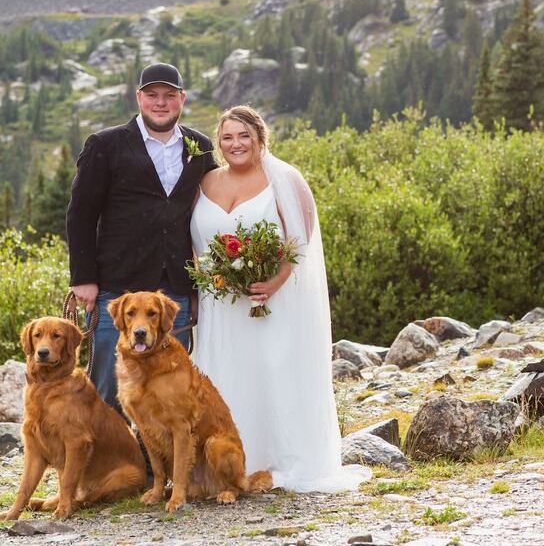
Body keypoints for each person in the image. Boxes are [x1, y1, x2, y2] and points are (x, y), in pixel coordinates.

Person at [190, 105, 370, 492]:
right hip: (219, 306)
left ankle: (277, 462)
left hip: (270, 302)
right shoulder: (204, 183)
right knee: (223, 377)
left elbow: (299, 242)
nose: (235, 144)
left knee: (271, 372)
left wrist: (271, 282)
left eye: (243, 136)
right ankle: (228, 466)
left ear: (259, 138)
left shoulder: (286, 178)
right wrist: (211, 277)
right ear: (218, 143)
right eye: (227, 137)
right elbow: (193, 242)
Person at [66, 63, 218, 412]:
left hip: (173, 294)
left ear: (182, 98)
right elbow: (81, 214)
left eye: (169, 96)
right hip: (116, 290)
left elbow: (208, 213)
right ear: (139, 98)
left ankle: (153, 467)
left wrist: (199, 287)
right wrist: (83, 279)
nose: (160, 103)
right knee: (109, 384)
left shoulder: (201, 146)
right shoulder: (105, 144)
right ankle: (103, 464)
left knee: (167, 390)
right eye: (152, 95)